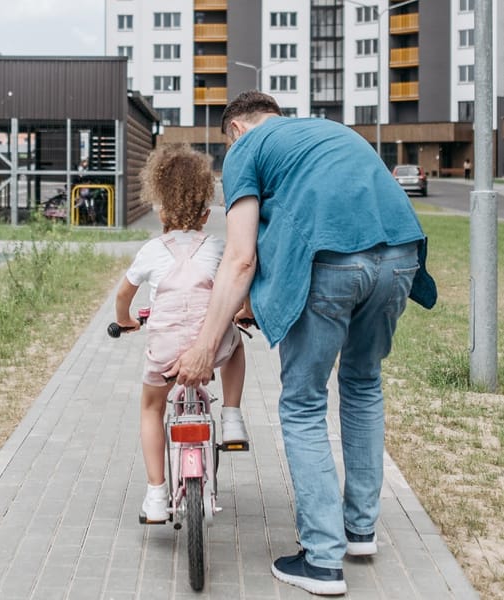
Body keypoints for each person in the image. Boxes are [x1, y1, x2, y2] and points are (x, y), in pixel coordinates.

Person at [166, 91, 435, 596]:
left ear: (235, 130)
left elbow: (240, 258)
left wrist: (205, 346)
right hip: (401, 255)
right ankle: (359, 531)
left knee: (304, 403)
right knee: (363, 384)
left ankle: (322, 558)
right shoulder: (328, 131)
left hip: (332, 262)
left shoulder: (247, 148)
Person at [113, 143, 249, 524]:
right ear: (206, 213)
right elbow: (240, 285)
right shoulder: (218, 247)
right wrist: (244, 313)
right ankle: (232, 416)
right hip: (212, 346)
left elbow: (123, 295)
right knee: (236, 347)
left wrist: (125, 320)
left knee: (151, 407)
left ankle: (156, 494)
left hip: (166, 353)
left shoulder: (151, 251)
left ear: (160, 211)